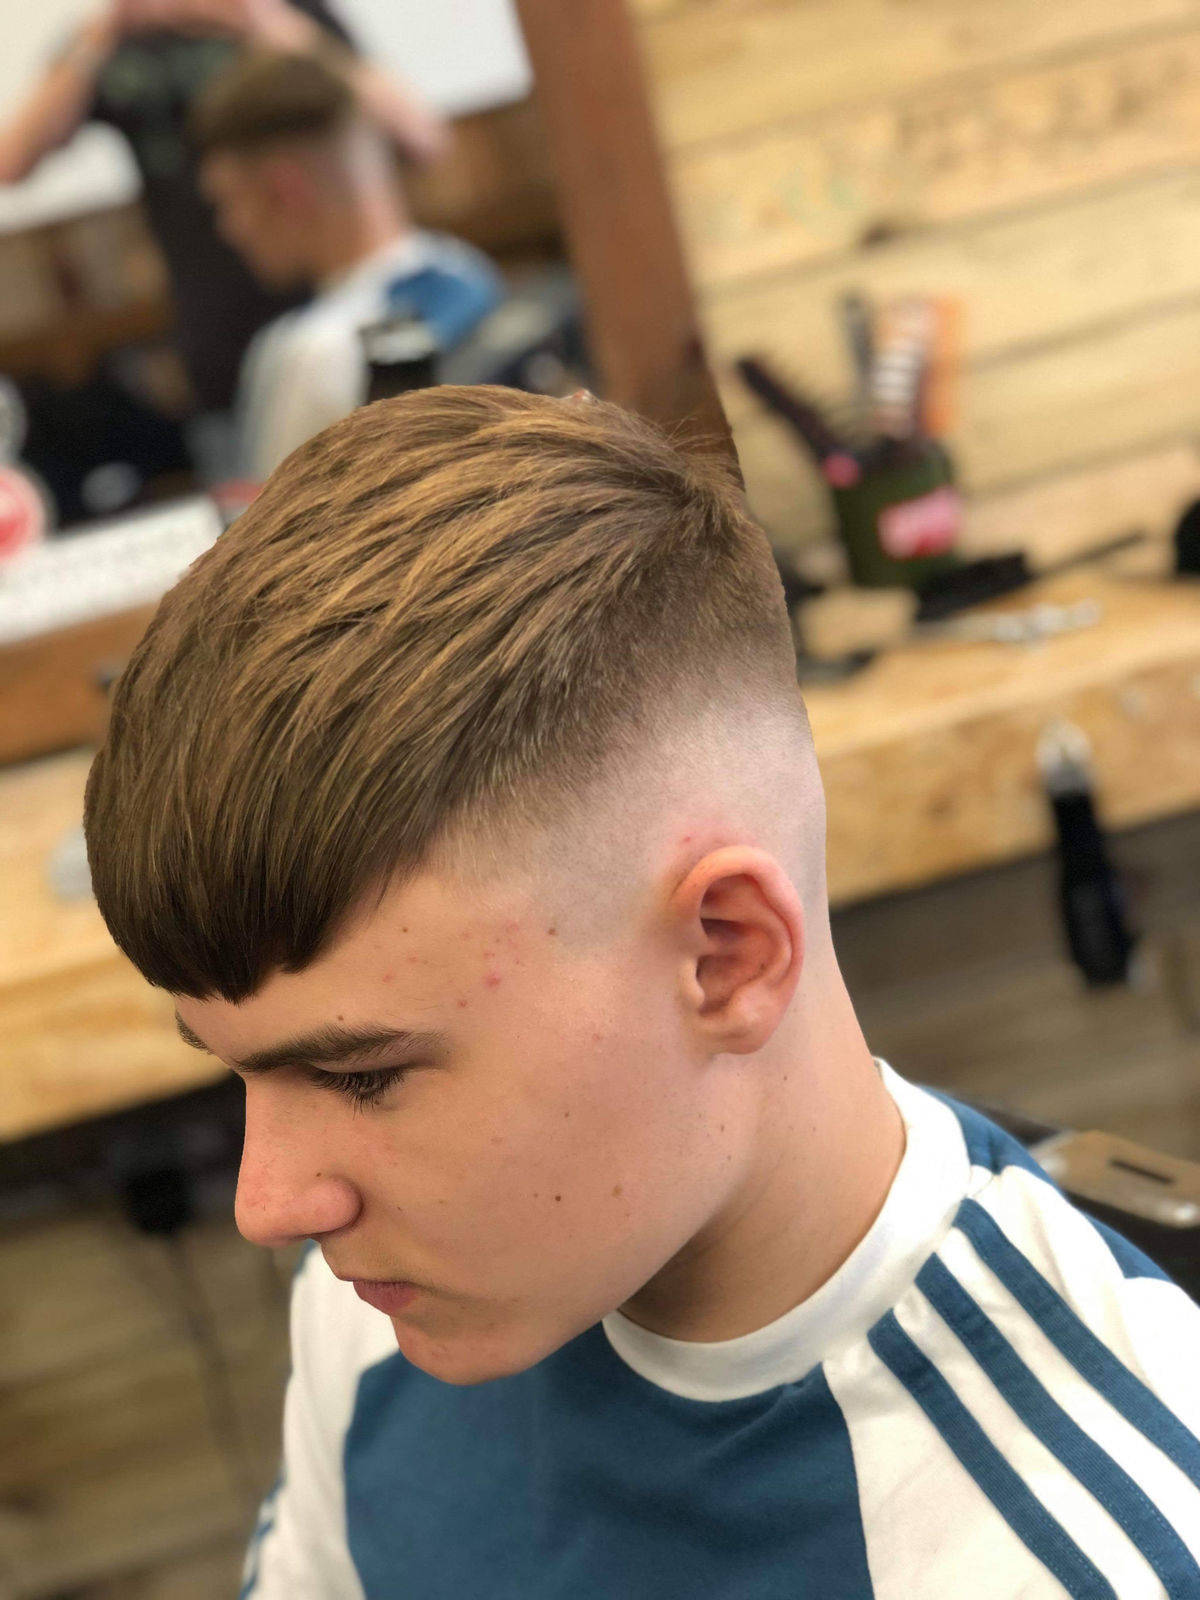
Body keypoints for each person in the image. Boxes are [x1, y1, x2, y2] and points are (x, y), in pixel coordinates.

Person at [83, 387, 1200, 1598]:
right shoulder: (386, 1302)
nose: (271, 1202)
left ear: (727, 954)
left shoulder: (1087, 1556)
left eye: (362, 1075)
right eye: (237, 1067)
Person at [0, 0, 448, 478]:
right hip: (222, 351)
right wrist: (104, 30)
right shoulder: (122, 41)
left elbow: (422, 136)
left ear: (285, 187)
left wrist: (266, 23)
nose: (230, 226)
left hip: (355, 318)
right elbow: (11, 161)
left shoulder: (287, 13)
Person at [193, 47, 503, 480]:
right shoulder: (469, 271)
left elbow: (278, 522)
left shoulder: (312, 355)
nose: (230, 230)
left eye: (229, 202)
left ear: (286, 190)